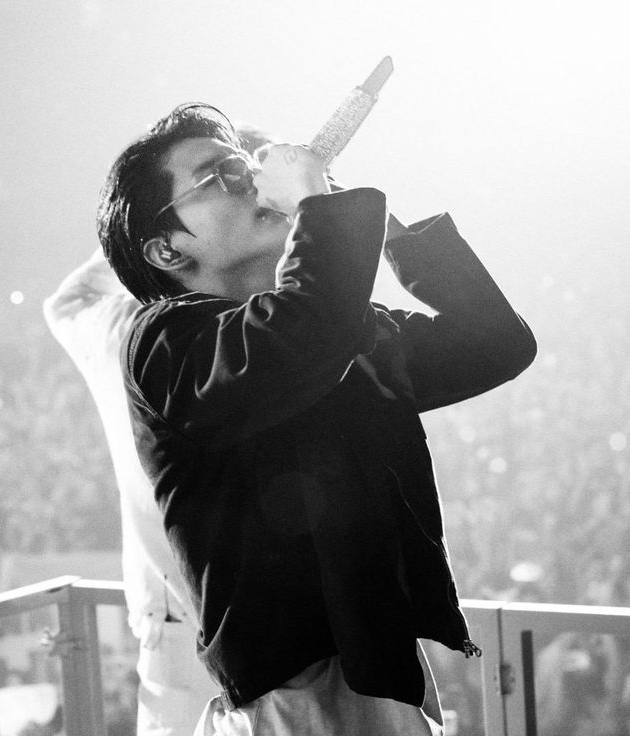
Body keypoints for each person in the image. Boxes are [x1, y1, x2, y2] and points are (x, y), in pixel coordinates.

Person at [96, 102, 537, 735]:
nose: (249, 177)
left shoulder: (333, 329)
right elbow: (298, 337)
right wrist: (322, 213)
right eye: (218, 175)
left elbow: (497, 343)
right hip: (293, 697)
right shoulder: (165, 341)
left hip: (385, 669)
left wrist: (384, 231)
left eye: (243, 163)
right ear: (165, 248)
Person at [44, 122, 277, 735]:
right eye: (219, 180)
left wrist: (140, 234)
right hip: (243, 623)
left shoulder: (112, 325)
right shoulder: (245, 333)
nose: (241, 187)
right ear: (165, 248)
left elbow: (64, 301)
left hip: (173, 621)